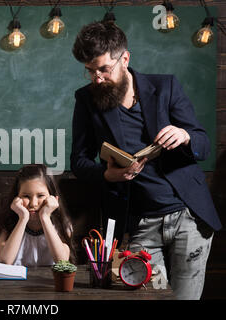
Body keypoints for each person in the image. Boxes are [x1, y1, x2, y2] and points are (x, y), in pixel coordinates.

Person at [70, 21, 222, 300]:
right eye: (90, 71)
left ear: (124, 58)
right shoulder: (87, 99)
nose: (97, 78)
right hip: (138, 224)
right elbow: (78, 162)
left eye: (104, 69)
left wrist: (185, 135)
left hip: (188, 216)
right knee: (147, 298)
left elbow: (204, 143)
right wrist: (108, 175)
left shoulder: (166, 87)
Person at [0, 164, 75, 266]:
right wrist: (23, 218)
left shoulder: (62, 225)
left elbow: (62, 261)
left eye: (40, 195)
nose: (33, 203)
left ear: (53, 198)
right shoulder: (8, 225)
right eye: (26, 196)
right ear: (16, 198)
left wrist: (45, 218)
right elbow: (6, 260)